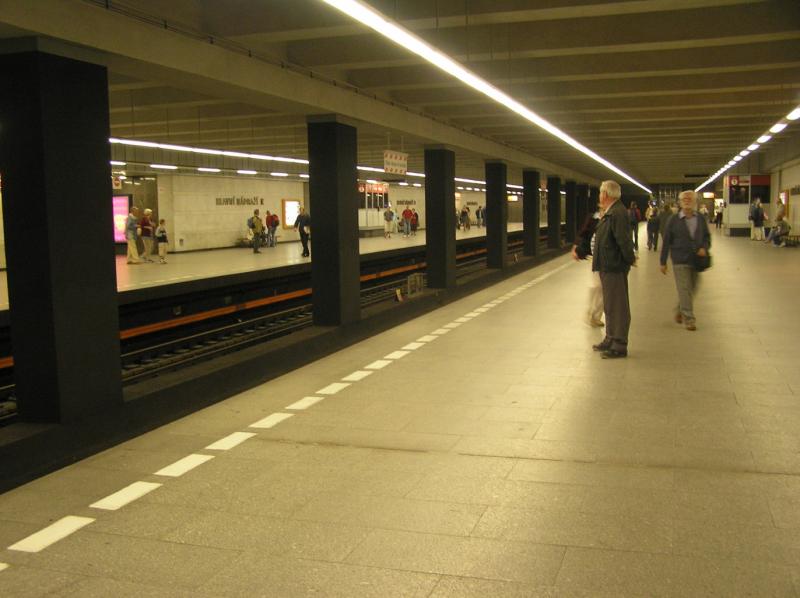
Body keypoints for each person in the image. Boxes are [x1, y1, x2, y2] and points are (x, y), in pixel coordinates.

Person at [592, 180, 636, 358]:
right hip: (607, 265)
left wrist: (628, 260)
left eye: (601, 193)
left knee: (617, 305)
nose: (600, 196)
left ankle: (619, 344)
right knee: (610, 305)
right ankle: (610, 337)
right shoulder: (611, 212)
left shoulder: (617, 213)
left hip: (614, 266)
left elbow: (624, 240)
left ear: (605, 194)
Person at [660, 190, 711, 332]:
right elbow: (666, 241)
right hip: (679, 259)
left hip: (696, 260)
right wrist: (663, 262)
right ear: (680, 202)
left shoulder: (700, 218)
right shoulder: (673, 219)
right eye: (684, 199)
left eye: (690, 199)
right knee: (684, 288)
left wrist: (704, 248)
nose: (687, 201)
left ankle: (680, 309)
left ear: (695, 201)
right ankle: (689, 319)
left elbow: (707, 237)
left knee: (693, 287)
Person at [572, 203, 604, 327]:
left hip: (605, 257)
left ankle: (595, 316)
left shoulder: (610, 218)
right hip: (594, 257)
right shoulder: (593, 218)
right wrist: (575, 248)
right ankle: (590, 313)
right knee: (597, 286)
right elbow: (583, 233)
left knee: (602, 289)